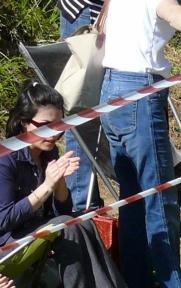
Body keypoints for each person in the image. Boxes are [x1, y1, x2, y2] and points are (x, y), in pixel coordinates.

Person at [100, 0, 181, 288]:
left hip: (112, 88)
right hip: (140, 90)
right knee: (159, 193)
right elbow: (169, 9)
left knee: (132, 197)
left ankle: (138, 282)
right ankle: (175, 285)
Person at [0, 83, 141, 288]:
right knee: (67, 226)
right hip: (7, 247)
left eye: (58, 126)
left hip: (33, 235)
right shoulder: (6, 159)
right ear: (23, 123)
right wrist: (46, 186)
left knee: (82, 221)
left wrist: (60, 183)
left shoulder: (47, 152)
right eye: (43, 126)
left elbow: (61, 208)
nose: (52, 134)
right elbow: (3, 221)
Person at [58, 0, 106, 211]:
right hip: (91, 11)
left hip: (105, 11)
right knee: (82, 107)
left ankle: (83, 205)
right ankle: (83, 209)